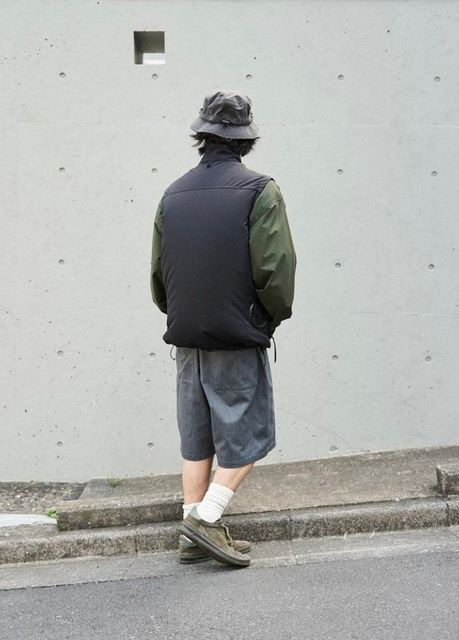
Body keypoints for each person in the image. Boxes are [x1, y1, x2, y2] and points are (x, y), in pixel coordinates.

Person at [149, 89, 297, 567]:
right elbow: (275, 271)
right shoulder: (260, 190)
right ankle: (205, 519)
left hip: (186, 336)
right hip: (236, 334)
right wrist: (267, 319)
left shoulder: (172, 194)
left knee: (197, 436)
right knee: (248, 432)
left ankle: (190, 533)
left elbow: (159, 275)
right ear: (246, 138)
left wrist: (182, 316)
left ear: (203, 136)